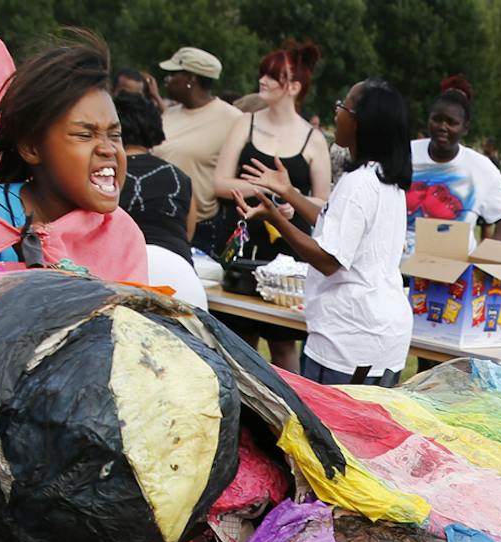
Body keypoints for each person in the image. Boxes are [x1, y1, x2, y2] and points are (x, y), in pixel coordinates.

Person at [240, 80, 412, 388]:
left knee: (330, 433)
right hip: (384, 332)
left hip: (349, 338)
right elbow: (337, 226)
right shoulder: (385, 179)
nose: (336, 114)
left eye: (343, 107)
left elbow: (329, 259)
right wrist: (290, 192)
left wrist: (275, 218)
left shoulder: (358, 183)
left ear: (362, 123)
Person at [0, 37, 147, 285]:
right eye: (85, 135)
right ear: (31, 148)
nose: (108, 148)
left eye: (115, 135)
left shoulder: (124, 234)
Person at [217, 41, 331, 369]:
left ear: (294, 87)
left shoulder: (314, 140)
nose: (262, 82)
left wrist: (292, 201)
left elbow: (322, 202)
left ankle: (293, 417)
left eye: (272, 77)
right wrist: (263, 186)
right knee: (237, 346)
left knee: (283, 346)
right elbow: (220, 183)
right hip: (241, 248)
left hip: (287, 255)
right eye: (262, 75)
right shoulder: (245, 124)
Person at [406, 77, 501, 253]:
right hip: (396, 273)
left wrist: (485, 254)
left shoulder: (482, 168)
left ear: (465, 128)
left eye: (451, 123)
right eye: (437, 119)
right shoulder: (404, 153)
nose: (442, 127)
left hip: (453, 275)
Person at [153, 46, 241, 259]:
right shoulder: (168, 115)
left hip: (198, 230)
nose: (167, 80)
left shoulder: (234, 120)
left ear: (190, 78)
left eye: (173, 74)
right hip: (156, 220)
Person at [115, 91, 196, 262]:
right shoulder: (181, 178)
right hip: (180, 269)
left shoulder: (106, 176)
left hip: (124, 270)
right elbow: (187, 235)